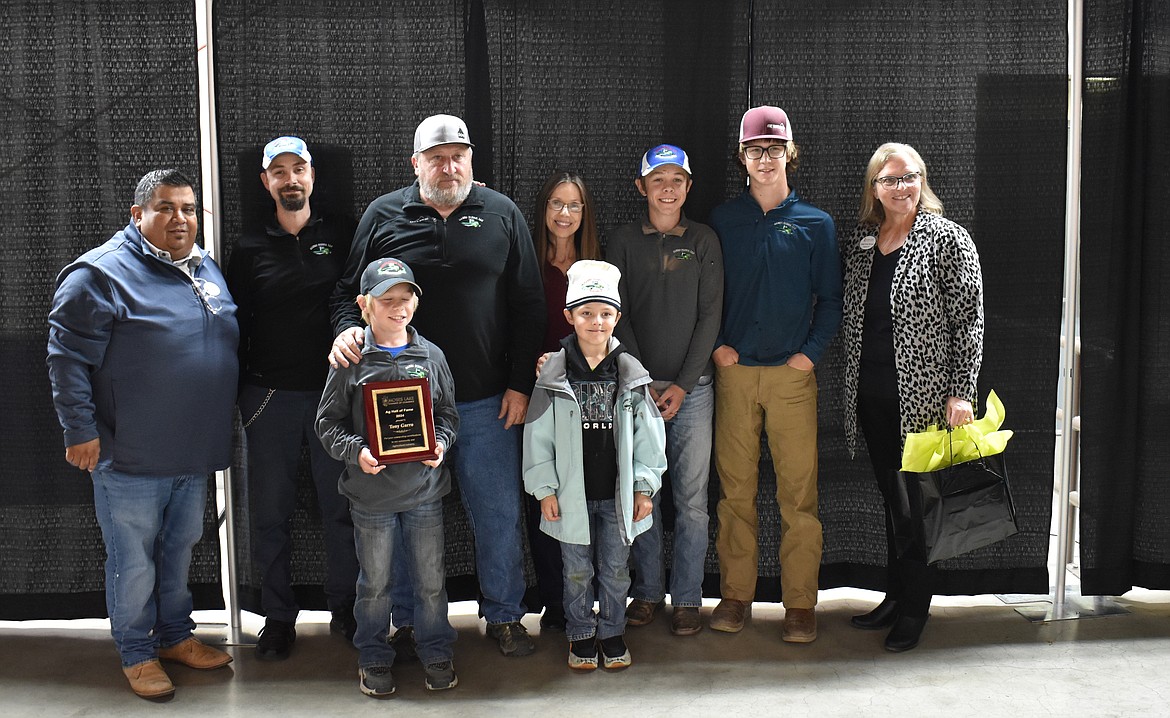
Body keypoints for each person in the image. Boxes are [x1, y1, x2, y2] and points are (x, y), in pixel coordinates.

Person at [329, 114, 545, 657]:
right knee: (401, 517)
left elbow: (528, 305)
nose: (448, 167)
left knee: (496, 512)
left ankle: (504, 615)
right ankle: (405, 620)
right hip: (396, 402)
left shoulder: (502, 213)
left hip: (485, 400)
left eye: (458, 156)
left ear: (470, 158)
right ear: (416, 163)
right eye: (436, 158)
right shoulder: (384, 214)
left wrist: (519, 384)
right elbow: (345, 295)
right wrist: (346, 333)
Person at [46, 169, 238, 699]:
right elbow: (66, 361)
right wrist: (79, 429)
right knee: (133, 559)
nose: (181, 218)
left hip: (191, 449)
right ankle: (136, 651)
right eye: (166, 208)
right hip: (128, 453)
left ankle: (175, 636)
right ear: (137, 214)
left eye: (189, 208)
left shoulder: (202, 267)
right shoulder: (99, 275)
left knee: (179, 549)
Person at [840, 142, 984, 652]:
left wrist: (961, 391)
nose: (901, 187)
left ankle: (916, 607)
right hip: (872, 394)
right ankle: (895, 593)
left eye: (910, 177)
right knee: (891, 500)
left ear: (922, 181)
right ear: (874, 189)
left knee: (918, 506)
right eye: (890, 179)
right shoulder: (864, 240)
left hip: (923, 400)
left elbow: (968, 320)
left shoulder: (947, 239)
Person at [708, 106, 842, 642]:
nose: (765, 159)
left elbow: (831, 300)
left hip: (791, 378)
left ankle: (799, 603)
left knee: (798, 492)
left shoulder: (816, 223)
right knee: (735, 491)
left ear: (790, 153)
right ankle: (736, 596)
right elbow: (706, 295)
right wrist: (717, 347)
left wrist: (808, 354)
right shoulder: (723, 220)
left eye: (774, 149)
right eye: (755, 150)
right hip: (735, 374)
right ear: (742, 157)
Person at [225, 136, 359, 660]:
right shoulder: (249, 247)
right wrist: (237, 396)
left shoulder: (342, 233)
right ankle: (278, 618)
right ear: (266, 183)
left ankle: (345, 607)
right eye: (278, 172)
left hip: (334, 397)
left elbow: (360, 294)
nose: (290, 180)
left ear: (312, 176)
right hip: (268, 398)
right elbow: (233, 325)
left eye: (298, 169)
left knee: (340, 509)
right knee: (271, 514)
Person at [317, 257, 460, 695]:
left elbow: (449, 416)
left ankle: (436, 649)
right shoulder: (351, 359)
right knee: (374, 584)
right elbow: (327, 424)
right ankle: (374, 655)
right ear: (365, 305)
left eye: (405, 299)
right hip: (370, 498)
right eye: (386, 300)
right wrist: (356, 451)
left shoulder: (431, 355)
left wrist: (440, 444)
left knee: (431, 582)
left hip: (423, 493)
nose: (398, 308)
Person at [523, 260, 667, 671]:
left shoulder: (632, 375)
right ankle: (581, 633)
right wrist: (545, 490)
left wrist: (644, 486)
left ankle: (612, 631)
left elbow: (649, 439)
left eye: (605, 314)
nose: (596, 322)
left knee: (616, 570)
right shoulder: (551, 376)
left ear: (617, 318)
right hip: (571, 496)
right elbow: (537, 437)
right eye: (586, 313)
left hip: (616, 496)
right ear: (569, 316)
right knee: (576, 572)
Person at [607, 144, 723, 636]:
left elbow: (709, 316)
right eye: (658, 180)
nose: (668, 188)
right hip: (638, 392)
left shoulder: (703, 240)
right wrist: (647, 382)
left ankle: (689, 598)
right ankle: (650, 591)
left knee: (693, 501)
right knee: (643, 492)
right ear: (642, 187)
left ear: (689, 186)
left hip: (693, 391)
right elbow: (619, 314)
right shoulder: (622, 242)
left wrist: (681, 382)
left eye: (678, 179)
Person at [528, 170, 603, 631]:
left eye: (574, 205)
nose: (565, 214)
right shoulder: (525, 263)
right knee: (544, 497)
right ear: (543, 210)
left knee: (589, 497)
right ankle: (555, 601)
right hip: (538, 397)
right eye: (557, 203)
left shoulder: (597, 266)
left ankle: (589, 599)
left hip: (590, 398)